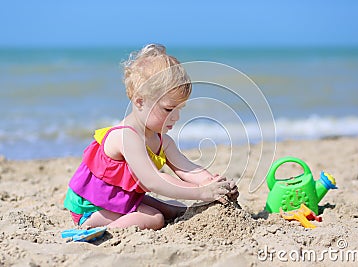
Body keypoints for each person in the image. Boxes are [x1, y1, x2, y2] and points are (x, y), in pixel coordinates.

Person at [64, 44, 238, 230]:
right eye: (169, 109)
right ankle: (92, 226)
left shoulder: (163, 140)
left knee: (177, 208)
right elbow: (154, 181)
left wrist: (212, 183)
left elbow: (188, 169)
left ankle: (116, 217)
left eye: (180, 109)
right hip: (94, 205)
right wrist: (200, 192)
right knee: (155, 219)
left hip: (122, 198)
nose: (176, 117)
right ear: (140, 102)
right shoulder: (126, 137)